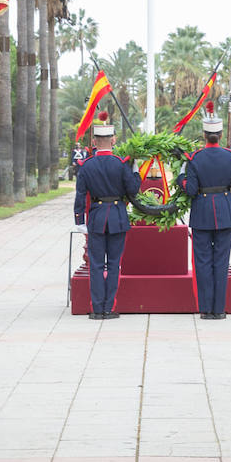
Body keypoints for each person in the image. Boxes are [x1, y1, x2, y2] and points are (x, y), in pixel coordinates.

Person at [72, 112, 140, 319]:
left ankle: (96, 308)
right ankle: (109, 307)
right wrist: (135, 170)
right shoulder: (121, 164)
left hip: (97, 218)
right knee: (113, 264)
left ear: (94, 142)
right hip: (117, 217)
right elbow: (134, 190)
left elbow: (80, 195)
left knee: (96, 264)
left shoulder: (86, 166)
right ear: (113, 140)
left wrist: (79, 221)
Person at [179, 104, 231, 319]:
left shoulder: (195, 158)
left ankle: (206, 309)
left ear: (205, 135)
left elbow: (190, 190)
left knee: (203, 262)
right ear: (221, 134)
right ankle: (219, 309)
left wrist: (181, 178)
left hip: (202, 213)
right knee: (221, 262)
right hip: (226, 212)